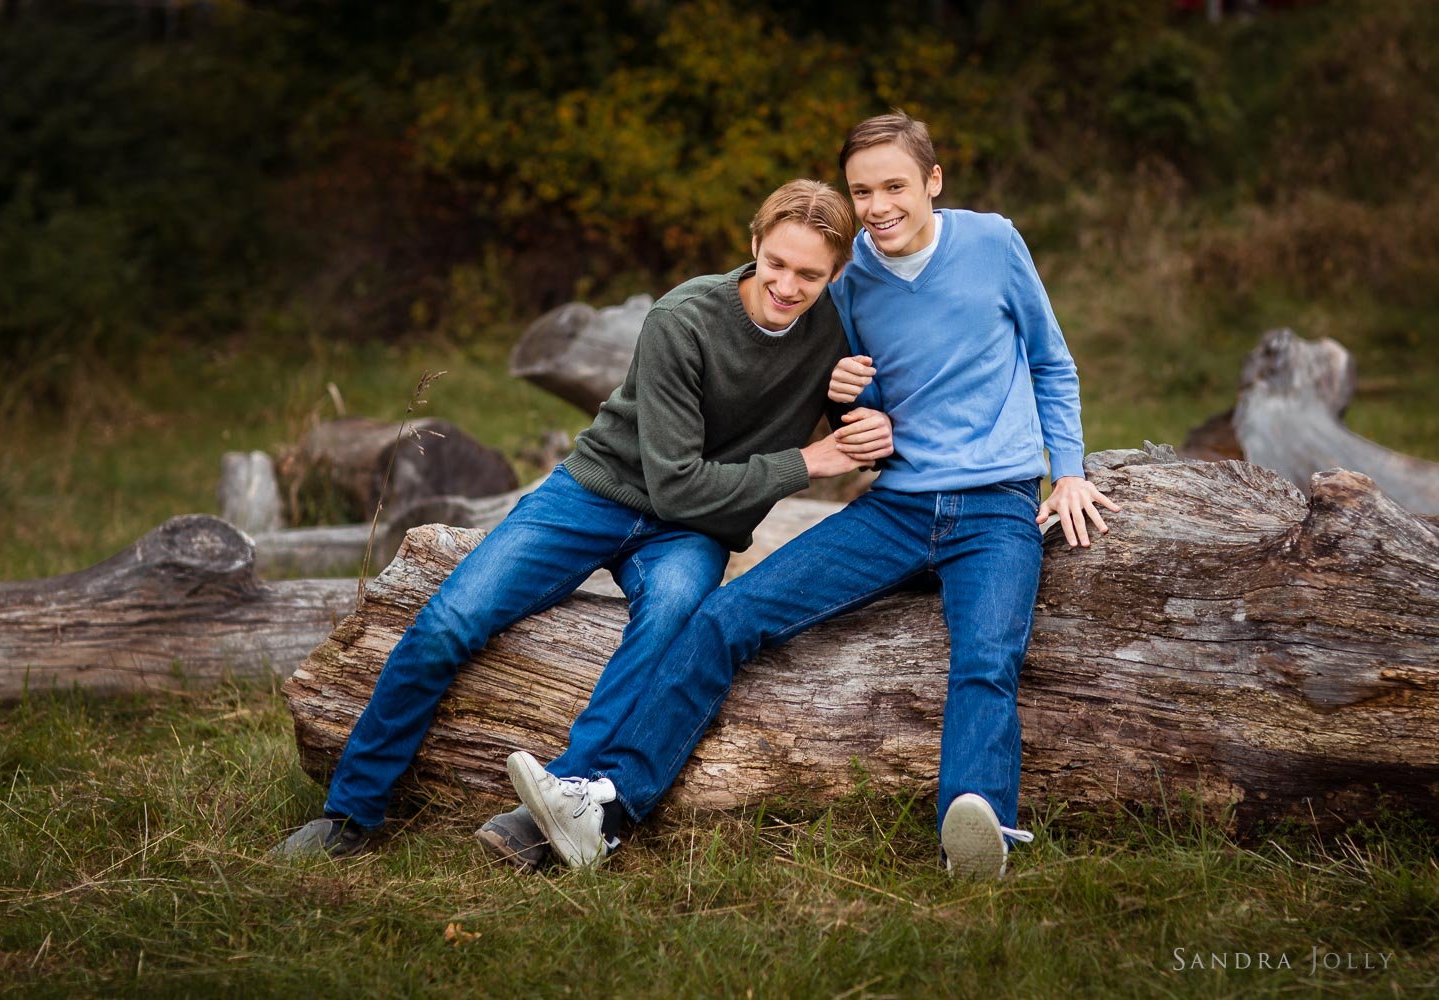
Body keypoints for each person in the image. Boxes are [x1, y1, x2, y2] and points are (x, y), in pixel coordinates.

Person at [508, 112, 1120, 878]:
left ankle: (979, 830)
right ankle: (607, 807)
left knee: (986, 659)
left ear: (933, 181)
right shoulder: (850, 273)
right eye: (863, 190)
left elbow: (1052, 362)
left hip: (996, 503)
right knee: (729, 614)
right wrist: (846, 394)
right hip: (896, 508)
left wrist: (1068, 469)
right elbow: (859, 398)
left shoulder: (994, 244)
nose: (879, 205)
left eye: (895, 185)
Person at [271, 179, 893, 867]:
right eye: (776, 263)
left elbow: (864, 430)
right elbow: (677, 481)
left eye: (810, 274)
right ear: (753, 245)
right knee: (451, 621)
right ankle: (350, 815)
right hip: (598, 493)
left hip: (693, 533)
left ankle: (556, 809)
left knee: (670, 620)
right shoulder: (683, 319)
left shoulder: (839, 329)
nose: (787, 284)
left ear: (836, 274)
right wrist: (805, 461)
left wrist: (862, 409)